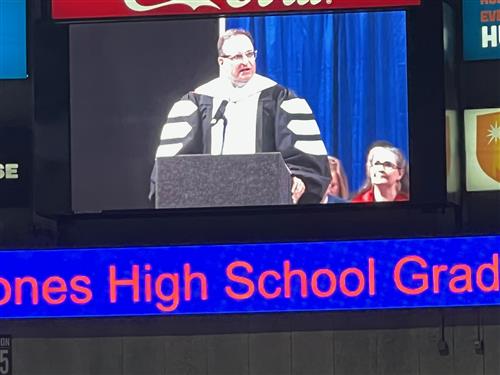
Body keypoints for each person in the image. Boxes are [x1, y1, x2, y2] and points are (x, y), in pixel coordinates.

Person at [153, 29, 330, 204]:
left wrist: (298, 180)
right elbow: (172, 169)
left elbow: (307, 165)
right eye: (237, 57)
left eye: (250, 54)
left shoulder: (281, 99)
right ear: (221, 62)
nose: (246, 61)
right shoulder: (196, 102)